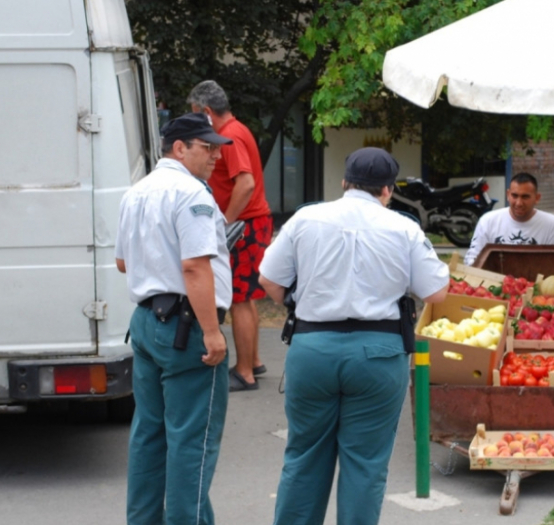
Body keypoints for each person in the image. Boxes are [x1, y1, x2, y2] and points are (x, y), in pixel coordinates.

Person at [258, 147, 449, 525]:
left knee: (304, 456)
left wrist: (302, 303)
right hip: (378, 352)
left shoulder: (306, 218)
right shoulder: (403, 227)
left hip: (312, 347)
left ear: (344, 182)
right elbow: (436, 293)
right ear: (388, 190)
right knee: (366, 465)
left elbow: (269, 280)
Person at [115, 112, 233, 525]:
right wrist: (212, 332)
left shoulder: (137, 192)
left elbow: (121, 262)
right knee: (192, 442)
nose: (215, 156)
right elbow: (195, 268)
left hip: (147, 321)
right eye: (207, 147)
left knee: (149, 434)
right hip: (185, 326)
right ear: (179, 148)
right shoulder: (192, 194)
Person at [188, 80, 273, 392]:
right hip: (253, 223)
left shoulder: (231, 136)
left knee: (238, 299)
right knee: (246, 297)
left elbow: (246, 183)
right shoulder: (238, 130)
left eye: (196, 114)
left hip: (246, 226)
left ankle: (245, 371)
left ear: (207, 112)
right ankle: (254, 360)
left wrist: (225, 224)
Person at [463, 172, 554, 265]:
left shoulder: (552, 225)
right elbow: (472, 260)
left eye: (525, 197)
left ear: (537, 198)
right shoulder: (487, 221)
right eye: (514, 196)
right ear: (508, 195)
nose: (519, 203)